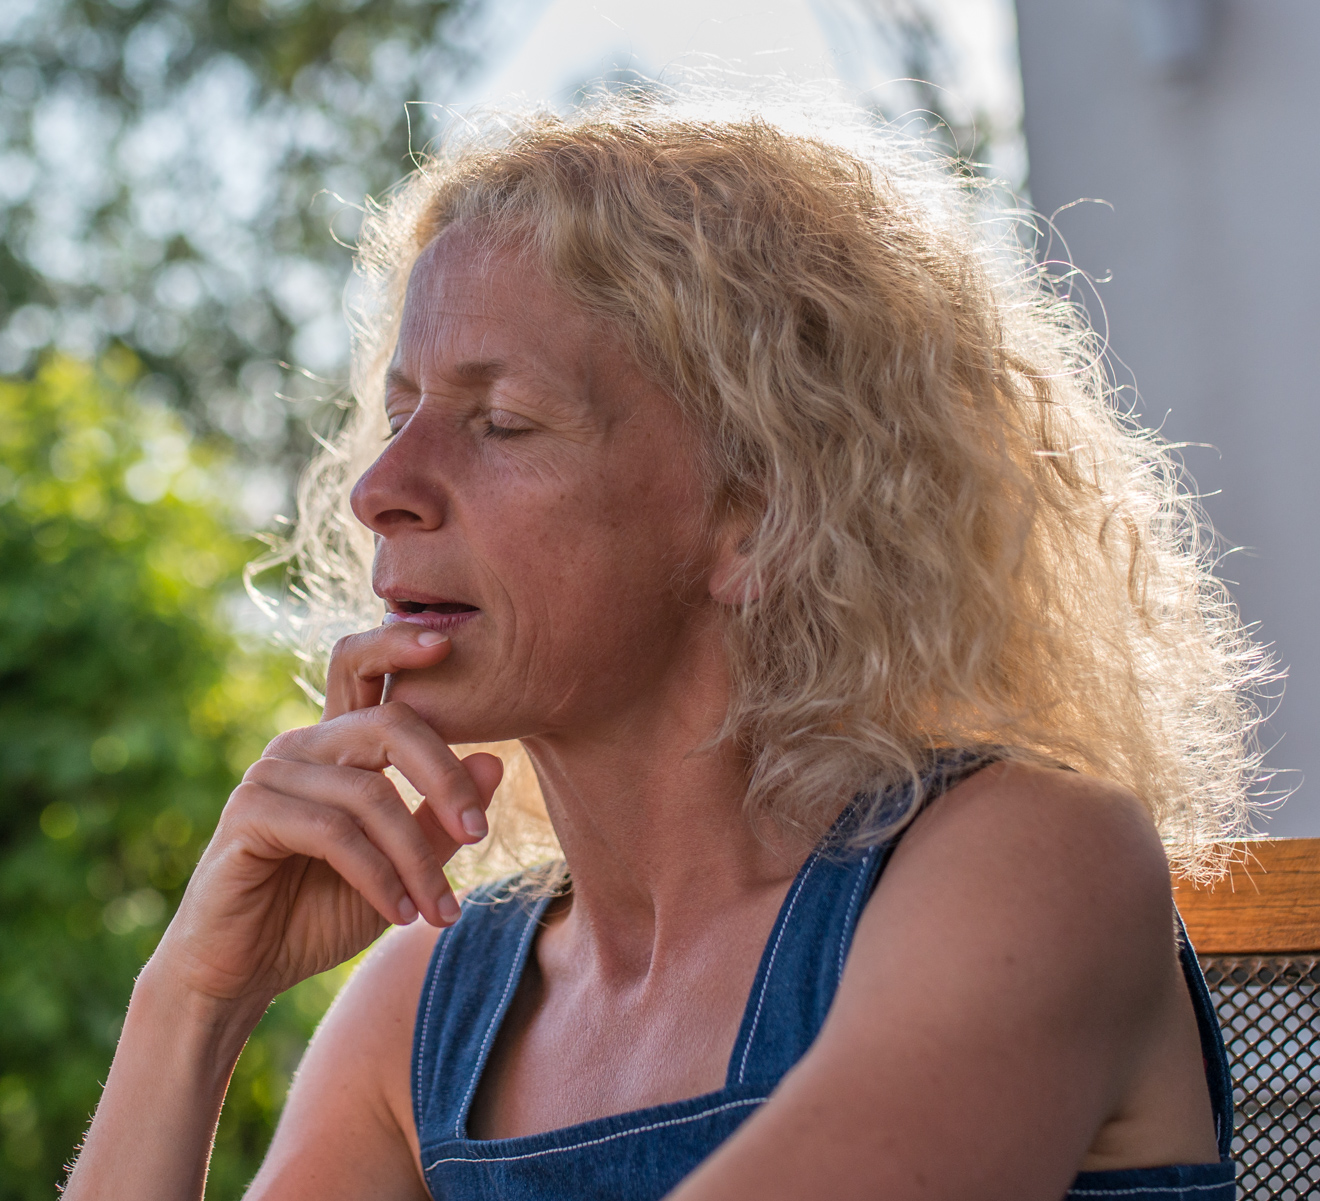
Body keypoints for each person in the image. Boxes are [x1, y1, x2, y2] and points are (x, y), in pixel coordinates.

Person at [64, 95, 1268, 1200]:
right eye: (397, 416)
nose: (378, 489)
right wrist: (192, 1003)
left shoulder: (1032, 860)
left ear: (757, 514)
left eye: (501, 421)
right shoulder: (429, 1009)